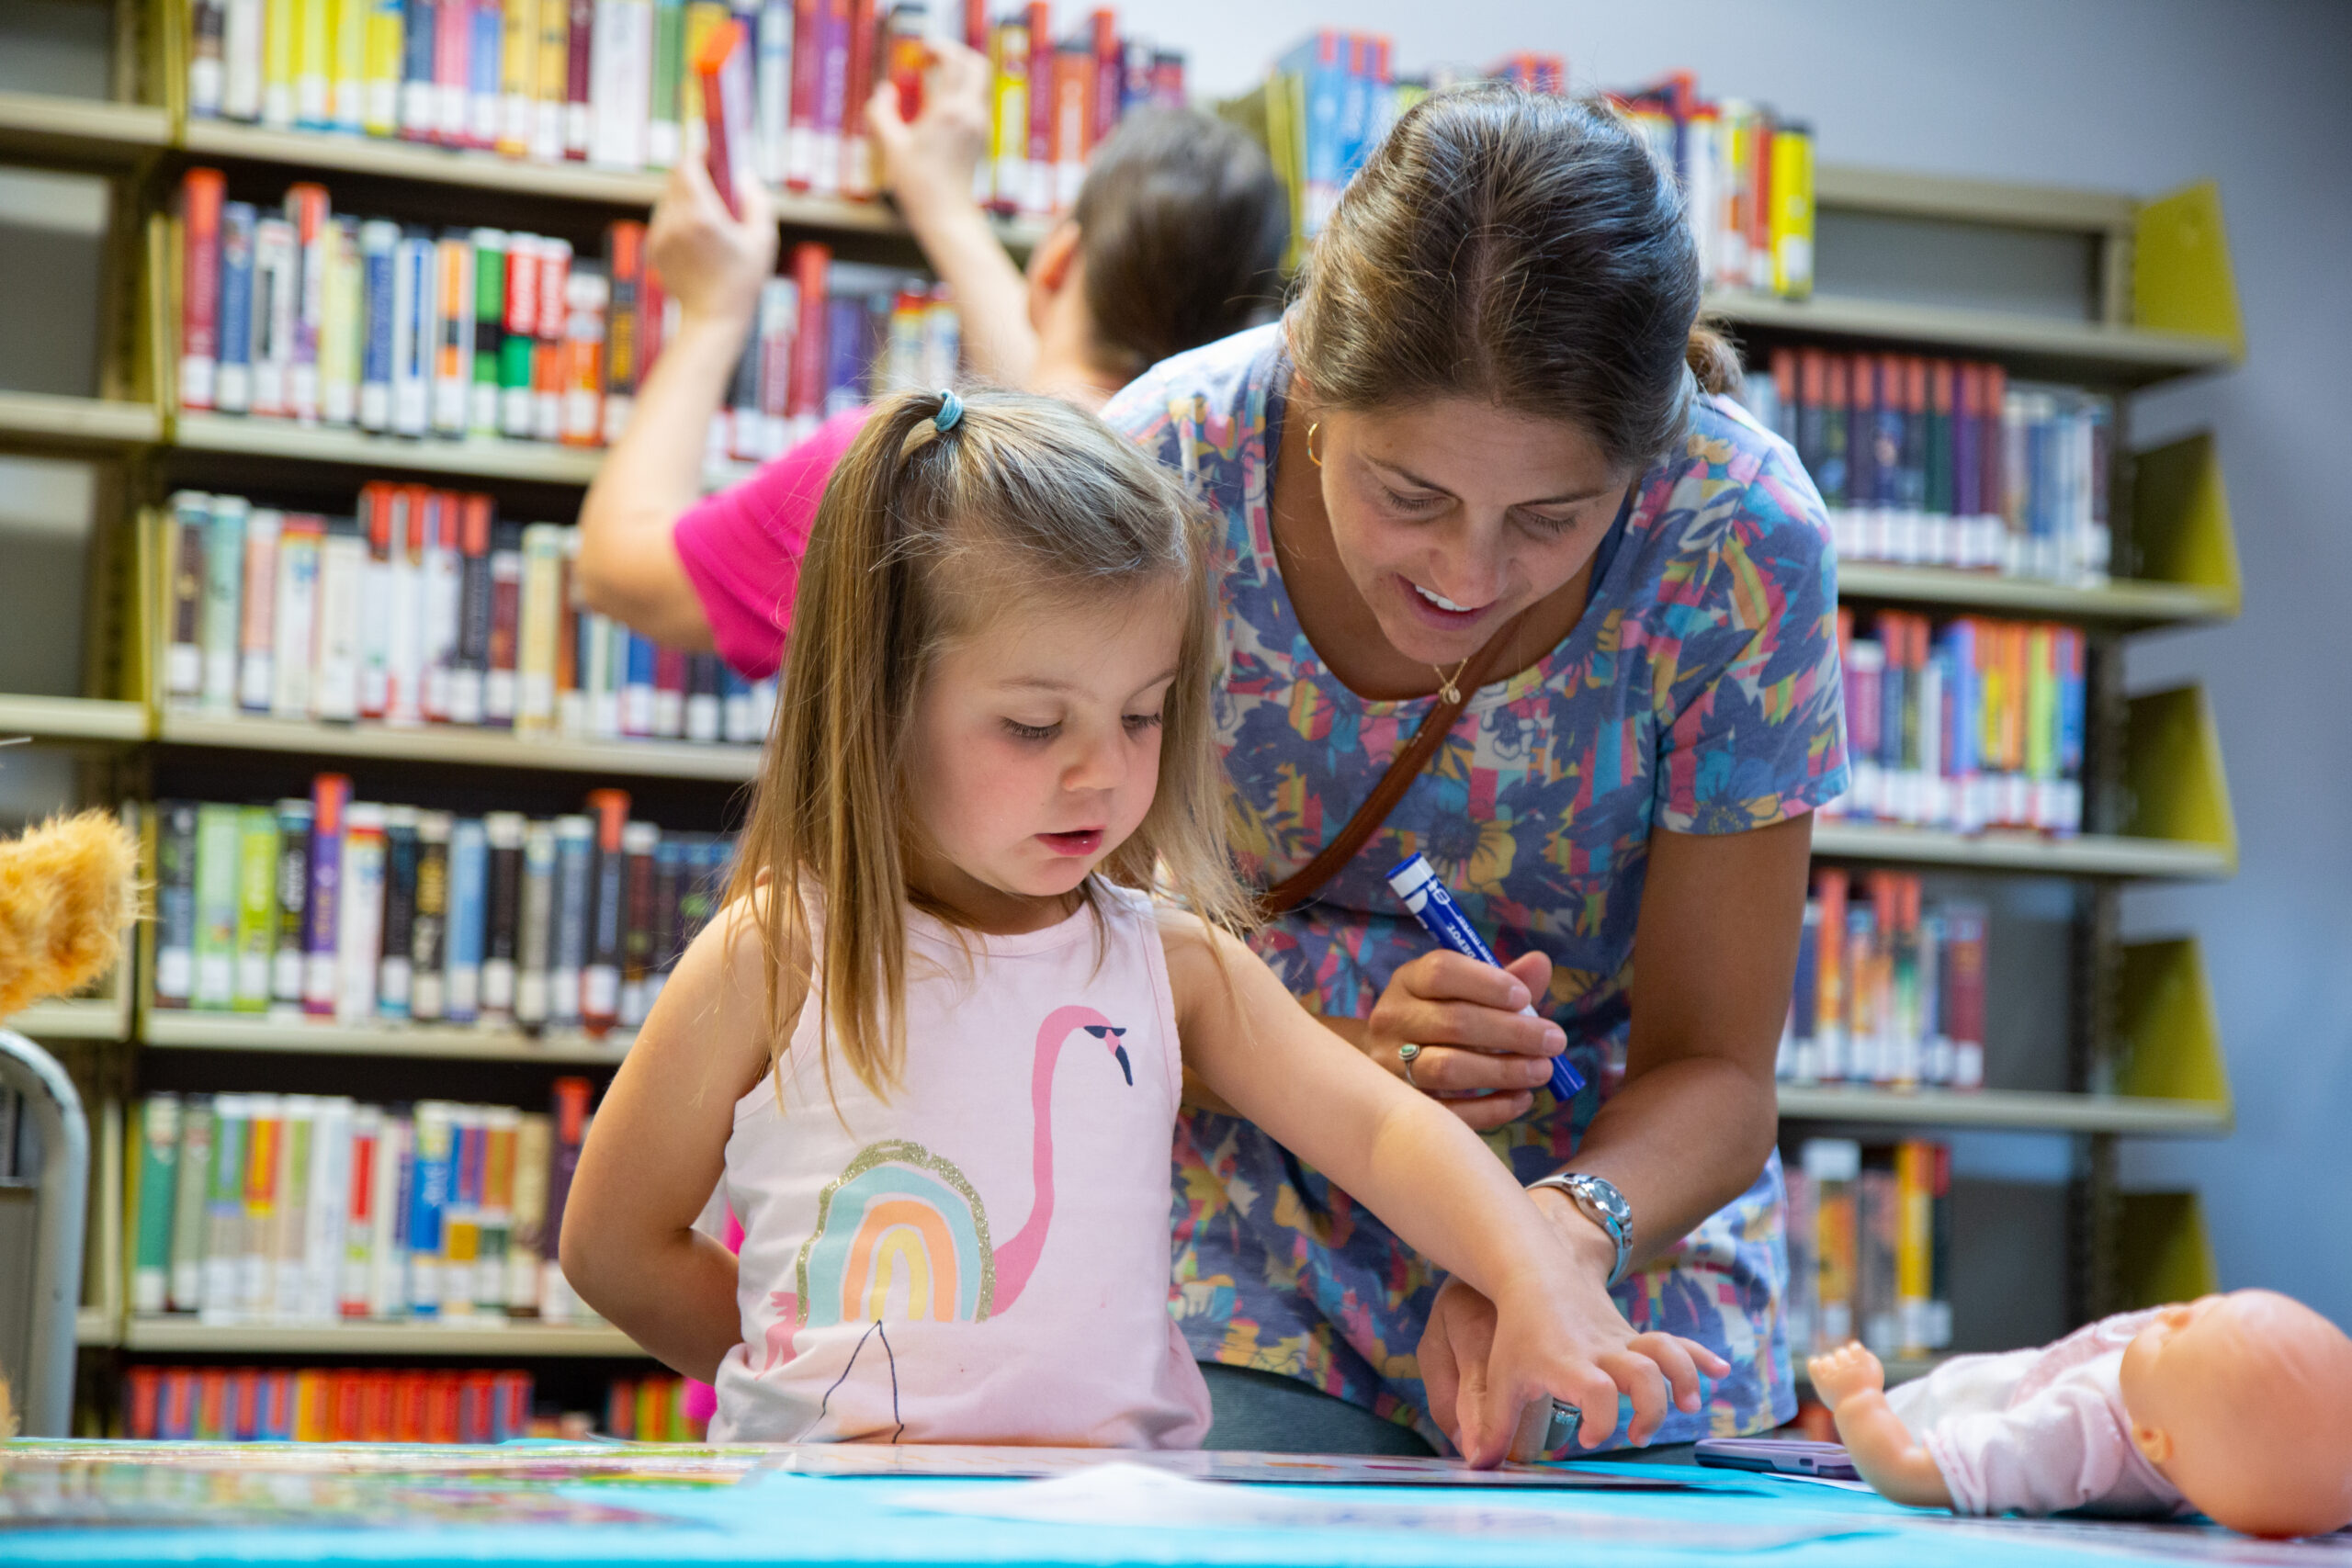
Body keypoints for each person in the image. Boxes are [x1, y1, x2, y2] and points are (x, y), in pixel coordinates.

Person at [556, 388, 1726, 1455]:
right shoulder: (782, 951)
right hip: (841, 1519)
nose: (1100, 777)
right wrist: (798, 1379)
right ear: (878, 700)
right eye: (1032, 727)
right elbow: (615, 1245)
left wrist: (1539, 1287)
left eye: (1142, 716)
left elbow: (1381, 1136)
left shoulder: (1169, 965)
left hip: (1119, 1513)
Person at [1098, 84, 1846, 1456]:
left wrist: (1546, 1243)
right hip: (1249, 1219)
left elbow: (1720, 1073)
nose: (1466, 573)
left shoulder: (1740, 538)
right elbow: (1061, 970)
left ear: (1646, 465)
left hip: (1619, 1218)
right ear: (1313, 388)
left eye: (1552, 517)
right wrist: (1333, 1063)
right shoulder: (1164, 470)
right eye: (1410, 494)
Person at [571, 42, 1289, 677]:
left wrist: (713, 312)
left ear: (1057, 261)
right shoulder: (1239, 510)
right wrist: (943, 206)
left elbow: (616, 570)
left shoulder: (898, 473)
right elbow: (1059, 403)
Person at [1807, 1292, 2352, 1537]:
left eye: (2175, 1334)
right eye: (2208, 1307)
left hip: (1915, 1422)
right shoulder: (2228, 1453)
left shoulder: (2075, 1434)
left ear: (2150, 1438)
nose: (2176, 1312)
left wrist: (1857, 1400)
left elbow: (1904, 1470)